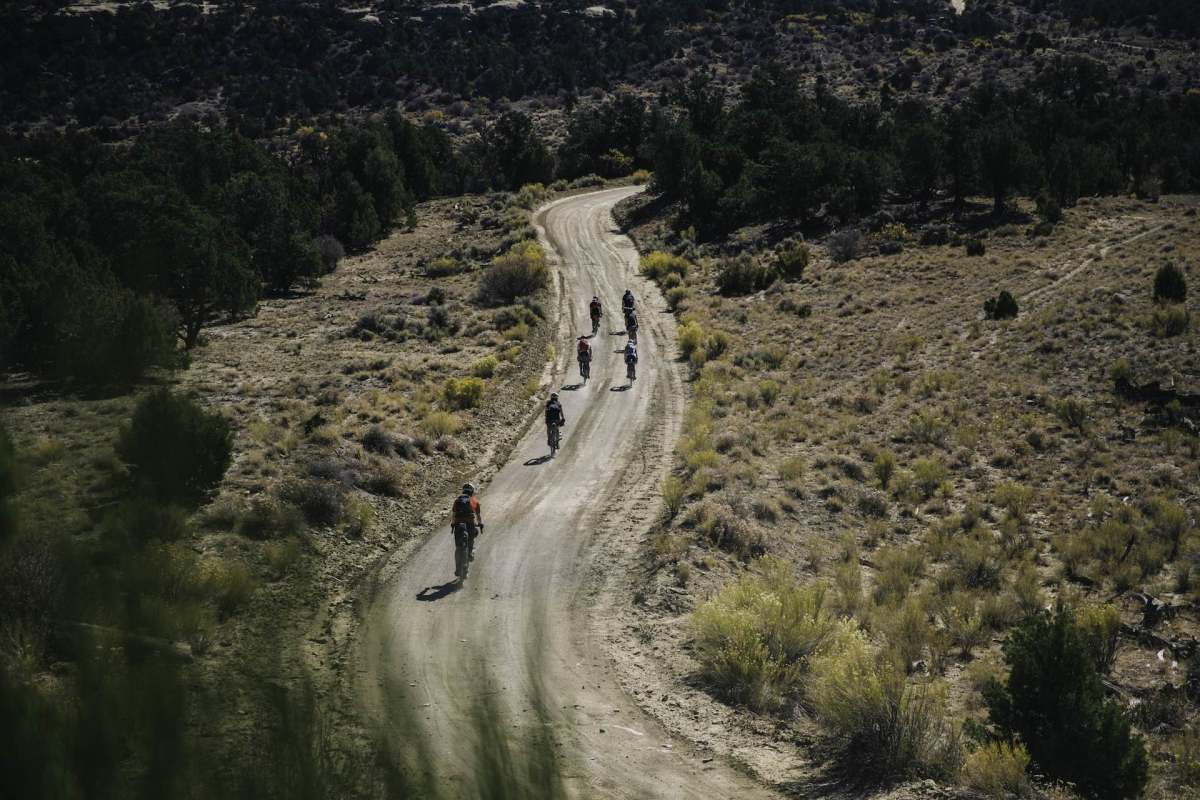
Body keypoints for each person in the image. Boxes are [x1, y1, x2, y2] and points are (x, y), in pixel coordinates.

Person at [450, 482, 483, 581]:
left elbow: (454, 515)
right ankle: (470, 553)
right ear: (472, 491)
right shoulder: (475, 501)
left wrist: (453, 524)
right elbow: (478, 516)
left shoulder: (457, 501)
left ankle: (457, 568)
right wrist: (480, 524)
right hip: (469, 524)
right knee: (471, 540)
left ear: (463, 491)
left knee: (458, 547)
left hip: (458, 525)